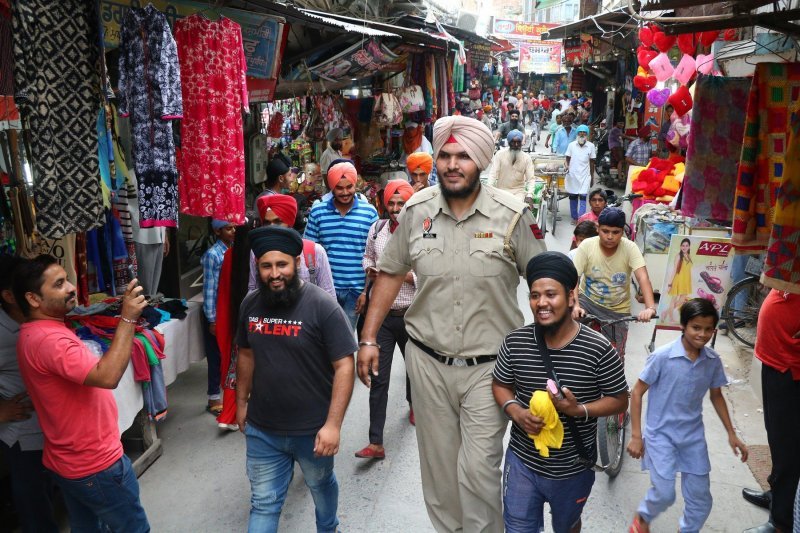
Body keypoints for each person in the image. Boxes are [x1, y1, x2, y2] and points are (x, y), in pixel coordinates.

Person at [357, 115, 547, 532]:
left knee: (478, 471)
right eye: (444, 155)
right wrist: (368, 337)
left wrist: (560, 337)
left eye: (463, 156)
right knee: (440, 474)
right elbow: (389, 273)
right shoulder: (415, 211)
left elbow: (544, 279)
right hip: (427, 363)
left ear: (480, 162)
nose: (452, 164)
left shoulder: (513, 216)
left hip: (491, 369)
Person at [493, 251, 628, 533]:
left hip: (572, 469)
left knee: (566, 526)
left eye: (551, 294)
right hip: (522, 462)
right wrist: (516, 411)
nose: (541, 303)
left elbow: (620, 400)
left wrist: (579, 410)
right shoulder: (515, 342)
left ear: (570, 296)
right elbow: (501, 384)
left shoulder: (598, 349)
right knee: (517, 528)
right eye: (534, 295)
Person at [13, 254, 149, 531]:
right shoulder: (49, 340)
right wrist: (127, 318)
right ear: (33, 299)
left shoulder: (36, 332)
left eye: (68, 280)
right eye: (59, 284)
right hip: (95, 465)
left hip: (71, 462)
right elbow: (108, 376)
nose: (72, 288)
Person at [236, 226, 356, 533]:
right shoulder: (250, 305)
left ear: (297, 263)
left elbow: (344, 365)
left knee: (320, 485)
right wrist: (240, 402)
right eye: (266, 266)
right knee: (263, 503)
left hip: (313, 432)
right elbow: (246, 355)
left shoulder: (322, 306)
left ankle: (328, 528)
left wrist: (333, 426)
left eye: (282, 265)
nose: (274, 274)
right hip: (263, 430)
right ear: (257, 268)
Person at [627, 298, 748, 533]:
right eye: (696, 327)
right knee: (664, 493)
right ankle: (642, 519)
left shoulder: (712, 361)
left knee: (702, 502)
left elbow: (716, 396)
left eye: (708, 329)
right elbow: (637, 392)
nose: (702, 334)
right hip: (661, 437)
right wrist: (636, 435)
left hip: (692, 439)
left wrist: (732, 433)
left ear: (714, 330)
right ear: (683, 326)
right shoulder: (662, 357)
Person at [354, 180, 416, 460]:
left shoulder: (422, 234)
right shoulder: (376, 229)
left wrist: (396, 274)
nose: (395, 209)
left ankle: (414, 403)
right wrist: (373, 270)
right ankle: (376, 441)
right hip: (383, 318)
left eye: (401, 204)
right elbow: (367, 257)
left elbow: (427, 275)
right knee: (378, 378)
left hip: (412, 316)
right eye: (391, 203)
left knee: (415, 370)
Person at [0, 255, 58, 532]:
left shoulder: (39, 314)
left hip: (51, 425)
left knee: (49, 489)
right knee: (34, 501)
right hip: (23, 433)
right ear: (10, 295)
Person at [742, 289, 800, 533]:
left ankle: (781, 521)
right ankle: (776, 493)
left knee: (788, 446)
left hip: (792, 368)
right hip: (775, 360)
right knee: (777, 438)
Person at [572, 207, 657, 359]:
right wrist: (575, 305)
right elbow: (574, 277)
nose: (610, 237)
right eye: (605, 231)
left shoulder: (630, 248)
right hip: (587, 302)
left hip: (618, 310)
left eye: (615, 232)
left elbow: (643, 278)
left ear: (622, 231)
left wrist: (650, 308)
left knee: (616, 357)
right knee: (567, 338)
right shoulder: (587, 246)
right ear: (598, 228)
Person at [304, 160, 378, 330]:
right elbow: (309, 255)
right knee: (328, 339)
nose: (345, 192)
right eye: (339, 188)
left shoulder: (369, 213)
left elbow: (374, 256)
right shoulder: (318, 212)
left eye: (349, 187)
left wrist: (366, 292)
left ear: (355, 185)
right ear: (331, 188)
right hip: (326, 290)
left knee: (343, 339)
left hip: (357, 290)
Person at [251, 194, 336, 299]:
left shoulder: (314, 251)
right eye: (267, 223)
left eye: (278, 222)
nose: (272, 228)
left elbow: (329, 295)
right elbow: (252, 291)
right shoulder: (256, 252)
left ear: (289, 223)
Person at [201, 219, 236, 415]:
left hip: (228, 309)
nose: (232, 231)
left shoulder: (233, 251)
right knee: (215, 356)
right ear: (217, 231)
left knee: (230, 353)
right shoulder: (213, 255)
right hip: (215, 312)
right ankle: (213, 397)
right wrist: (212, 319)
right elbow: (209, 289)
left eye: (233, 228)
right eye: (228, 228)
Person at [487, 129, 537, 203]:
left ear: (521, 143)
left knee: (518, 210)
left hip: (518, 193)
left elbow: (531, 179)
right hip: (501, 191)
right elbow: (493, 174)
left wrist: (529, 195)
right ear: (509, 142)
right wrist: (489, 189)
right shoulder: (500, 154)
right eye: (513, 142)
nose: (516, 145)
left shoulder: (526, 158)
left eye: (518, 142)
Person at [564, 124, 596, 224]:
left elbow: (592, 162)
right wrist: (566, 167)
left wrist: (592, 177)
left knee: (583, 196)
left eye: (584, 132)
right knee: (573, 196)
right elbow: (567, 159)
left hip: (585, 176)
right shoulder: (571, 145)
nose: (582, 134)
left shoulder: (591, 146)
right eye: (580, 132)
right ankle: (574, 217)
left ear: (587, 134)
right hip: (573, 175)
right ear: (577, 133)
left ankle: (581, 219)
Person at [663, 238, 693, 324]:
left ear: (689, 247)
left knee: (681, 300)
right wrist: (670, 284)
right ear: (680, 246)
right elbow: (674, 270)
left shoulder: (689, 256)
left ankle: (665, 312)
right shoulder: (679, 256)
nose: (684, 247)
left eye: (686, 245)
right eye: (683, 245)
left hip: (685, 281)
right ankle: (671, 319)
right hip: (678, 280)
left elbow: (688, 270)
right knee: (674, 299)